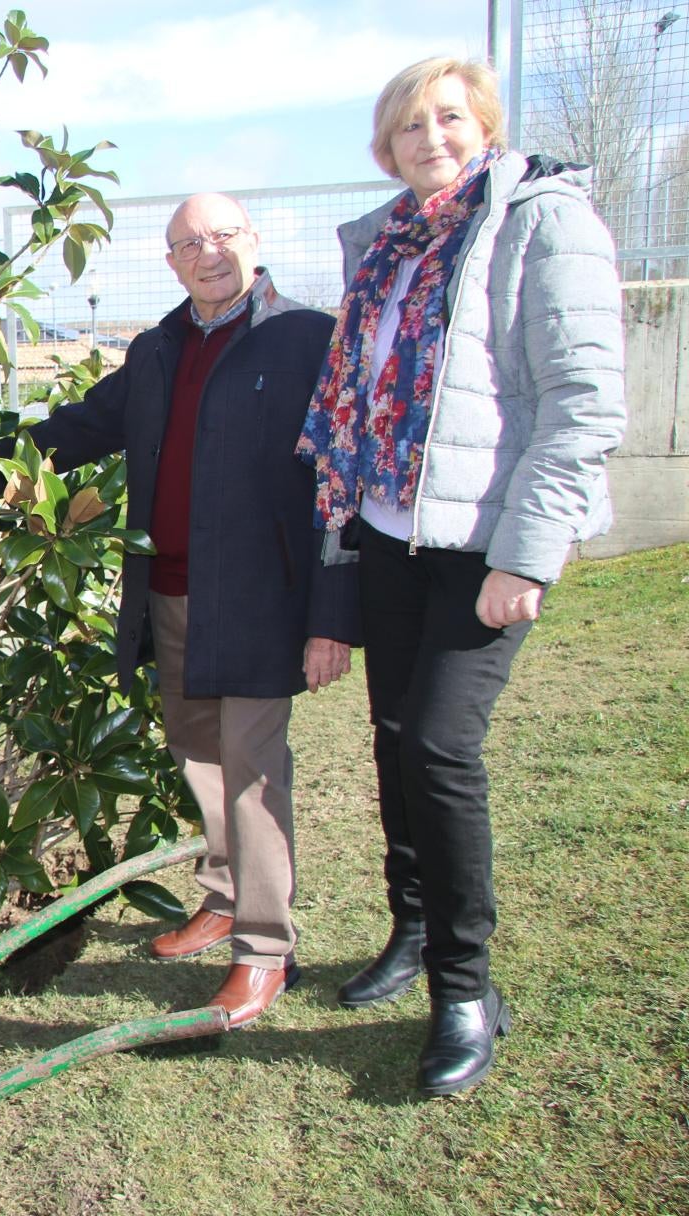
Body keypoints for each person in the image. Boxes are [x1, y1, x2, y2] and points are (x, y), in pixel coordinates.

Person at [298, 57, 625, 1095]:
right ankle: (412, 926)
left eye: (448, 117)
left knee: (441, 745)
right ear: (385, 147)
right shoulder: (386, 243)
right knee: (394, 740)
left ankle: (467, 987)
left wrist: (529, 551)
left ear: (482, 123)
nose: (429, 136)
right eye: (408, 125)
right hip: (394, 530)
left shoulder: (542, 219)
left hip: (485, 540)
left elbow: (581, 398)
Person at [0, 193, 360, 1028]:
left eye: (223, 235)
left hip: (264, 599)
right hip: (169, 593)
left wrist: (332, 614)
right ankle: (226, 898)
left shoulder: (305, 337)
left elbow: (342, 478)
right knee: (200, 758)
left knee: (254, 770)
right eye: (189, 242)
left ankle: (266, 952)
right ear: (170, 262)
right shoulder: (158, 348)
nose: (209, 252)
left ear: (253, 242)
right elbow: (88, 426)